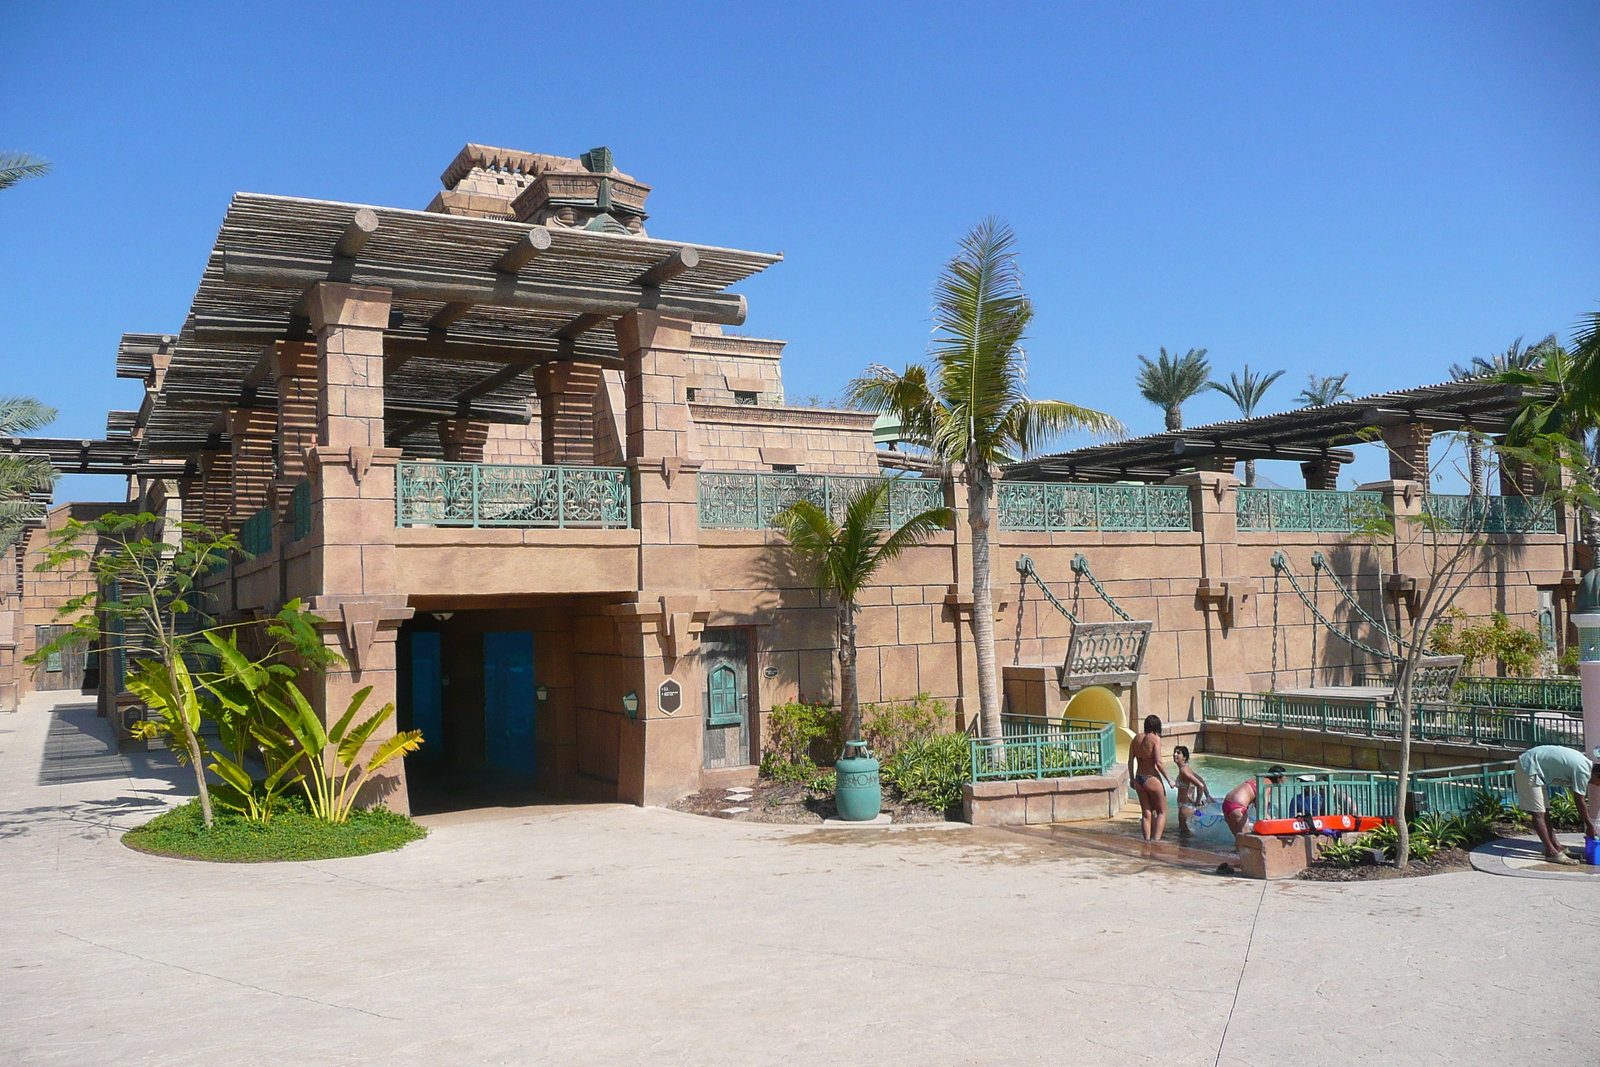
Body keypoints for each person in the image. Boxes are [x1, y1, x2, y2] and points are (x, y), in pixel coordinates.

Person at [1513, 745, 1598, 865]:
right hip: (1529, 766)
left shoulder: (1586, 765)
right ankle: (1551, 852)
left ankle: (1557, 847)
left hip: (1537, 767)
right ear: (1597, 774)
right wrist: (1590, 826)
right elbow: (1579, 801)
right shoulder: (1583, 771)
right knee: (1538, 812)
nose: (1598, 785)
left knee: (1545, 810)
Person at [1128, 715, 1174, 841]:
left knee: (1146, 813)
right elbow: (1158, 762)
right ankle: (1155, 841)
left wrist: (1132, 779)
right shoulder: (1155, 739)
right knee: (1162, 812)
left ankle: (1146, 841)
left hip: (1139, 779)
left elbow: (1130, 761)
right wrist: (1169, 779)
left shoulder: (1136, 738)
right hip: (1151, 778)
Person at [1223, 765, 1287, 837]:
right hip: (1238, 807)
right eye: (1283, 779)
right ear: (1278, 778)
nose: (1283, 783)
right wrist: (1273, 824)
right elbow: (1263, 811)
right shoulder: (1267, 785)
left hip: (1226, 803)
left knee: (1238, 838)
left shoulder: (1256, 779)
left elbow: (1257, 803)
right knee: (1246, 837)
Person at [1172, 745, 1213, 835]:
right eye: (1174, 752)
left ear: (1184, 757)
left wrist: (1198, 801)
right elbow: (1201, 779)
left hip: (1185, 807)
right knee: (1186, 834)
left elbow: (1200, 785)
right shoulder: (1187, 769)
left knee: (1185, 837)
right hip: (1188, 807)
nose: (1175, 754)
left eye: (1178, 753)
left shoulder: (1184, 771)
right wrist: (1207, 795)